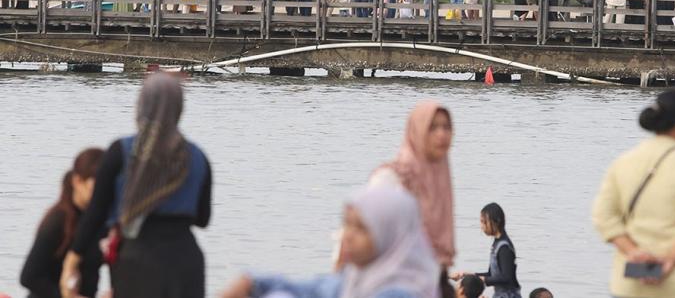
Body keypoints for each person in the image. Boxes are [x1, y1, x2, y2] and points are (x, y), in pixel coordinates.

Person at [61, 72, 212, 298]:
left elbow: (96, 212)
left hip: (137, 257)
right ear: (179, 108)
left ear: (141, 105)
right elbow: (202, 218)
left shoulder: (120, 151)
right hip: (186, 260)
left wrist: (73, 259)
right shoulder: (198, 157)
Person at [592, 89, 675, 298]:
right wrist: (670, 261)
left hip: (631, 283)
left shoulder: (623, 162)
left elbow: (603, 216)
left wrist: (634, 252)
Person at [220, 186, 440, 298]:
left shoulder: (400, 292)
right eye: (347, 225)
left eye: (361, 228)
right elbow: (311, 289)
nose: (348, 235)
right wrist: (253, 282)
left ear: (392, 234)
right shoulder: (357, 280)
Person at [371, 101, 455, 297]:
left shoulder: (440, 178)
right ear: (417, 131)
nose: (441, 134)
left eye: (446, 127)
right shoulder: (393, 178)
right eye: (432, 127)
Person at [21, 148, 105, 298]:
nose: (102, 195)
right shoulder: (58, 220)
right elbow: (29, 277)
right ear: (78, 181)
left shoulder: (102, 220)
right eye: (96, 188)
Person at [451, 202, 521, 298]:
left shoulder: (504, 247)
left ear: (496, 221)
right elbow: (491, 274)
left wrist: (483, 279)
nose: (482, 226)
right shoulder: (496, 244)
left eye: (484, 222)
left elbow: (507, 277)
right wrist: (469, 275)